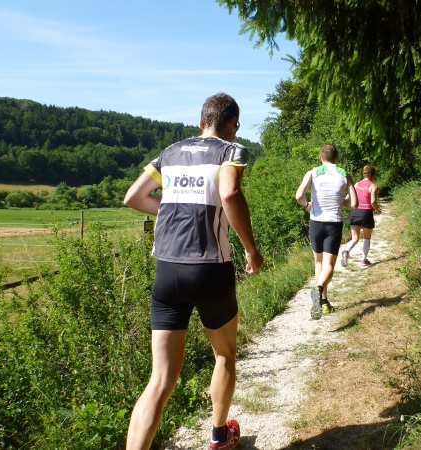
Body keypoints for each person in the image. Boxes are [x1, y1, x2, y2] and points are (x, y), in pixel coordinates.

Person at [123, 93, 263, 450]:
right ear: (231, 124)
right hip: (209, 269)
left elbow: (134, 197)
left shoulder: (169, 152)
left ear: (201, 122)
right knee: (224, 355)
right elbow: (229, 194)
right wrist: (250, 248)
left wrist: (175, 209)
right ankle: (219, 435)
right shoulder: (231, 150)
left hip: (167, 270)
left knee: (160, 380)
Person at [295, 144, 357, 319]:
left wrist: (307, 205)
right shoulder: (344, 175)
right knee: (329, 266)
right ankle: (319, 289)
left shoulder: (313, 172)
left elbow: (299, 196)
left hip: (316, 222)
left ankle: (323, 302)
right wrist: (341, 201)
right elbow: (354, 204)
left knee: (318, 263)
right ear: (336, 158)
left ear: (320, 158)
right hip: (333, 224)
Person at [341, 165, 382, 267]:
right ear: (373, 175)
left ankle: (346, 251)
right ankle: (364, 260)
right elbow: (373, 202)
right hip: (366, 212)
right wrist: (378, 210)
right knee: (367, 238)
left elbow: (347, 199)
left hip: (355, 211)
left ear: (364, 174)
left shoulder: (356, 185)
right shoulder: (373, 186)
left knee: (355, 238)